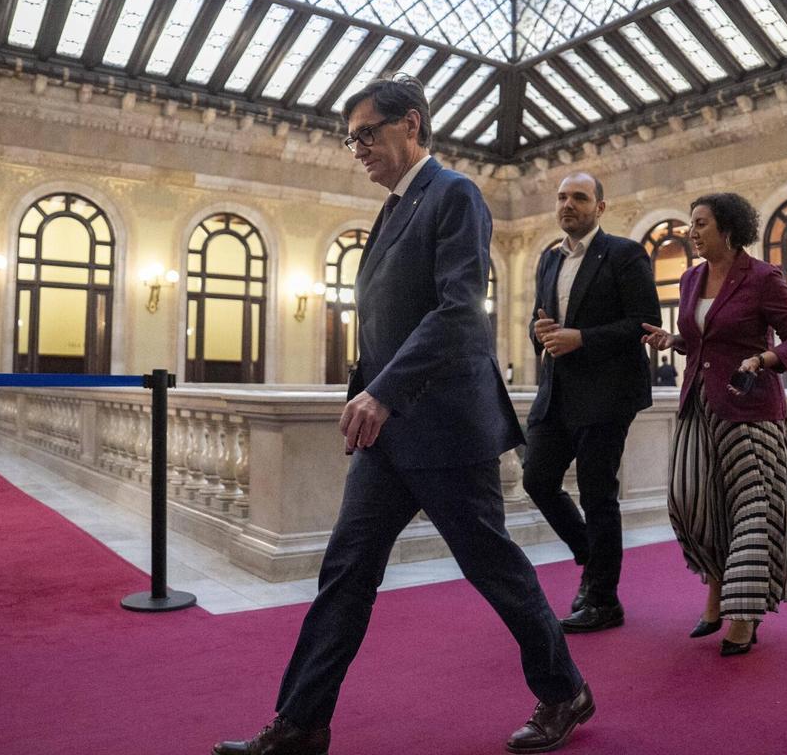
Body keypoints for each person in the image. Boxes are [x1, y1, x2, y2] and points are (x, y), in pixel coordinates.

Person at [214, 75, 592, 755]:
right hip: (389, 438)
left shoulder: (455, 195)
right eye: (350, 138)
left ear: (411, 124)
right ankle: (302, 722)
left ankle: (565, 690)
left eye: (368, 133)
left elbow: (457, 314)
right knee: (346, 571)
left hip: (446, 427)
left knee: (493, 568)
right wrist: (370, 394)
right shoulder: (392, 210)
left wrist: (382, 391)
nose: (356, 147)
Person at [641, 193, 787, 657]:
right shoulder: (692, 277)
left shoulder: (762, 278)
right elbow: (704, 340)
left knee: (753, 511)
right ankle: (716, 588)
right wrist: (674, 340)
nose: (691, 232)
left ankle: (743, 616)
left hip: (751, 408)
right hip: (699, 402)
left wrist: (765, 358)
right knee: (690, 500)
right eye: (689, 224)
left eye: (700, 223)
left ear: (728, 229)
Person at [524, 173, 660, 633]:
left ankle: (604, 600)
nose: (568, 205)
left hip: (607, 395)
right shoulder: (548, 258)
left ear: (599, 207)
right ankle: (592, 557)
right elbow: (539, 321)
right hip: (558, 392)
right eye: (562, 197)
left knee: (598, 495)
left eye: (579, 198)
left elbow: (644, 324)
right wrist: (540, 334)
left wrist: (581, 338)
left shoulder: (624, 254)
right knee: (537, 480)